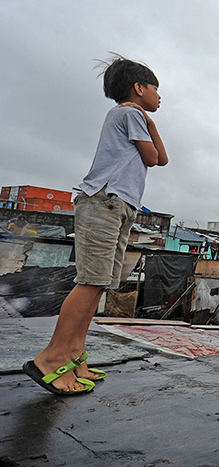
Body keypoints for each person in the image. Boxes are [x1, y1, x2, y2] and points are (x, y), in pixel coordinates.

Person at [23, 56, 168, 395]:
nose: (159, 97)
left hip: (117, 205)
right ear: (139, 88)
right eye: (156, 89)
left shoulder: (137, 117)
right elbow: (151, 157)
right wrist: (148, 123)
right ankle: (51, 358)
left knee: (100, 282)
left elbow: (162, 159)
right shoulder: (128, 113)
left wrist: (154, 125)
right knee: (90, 282)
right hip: (104, 201)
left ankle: (75, 354)